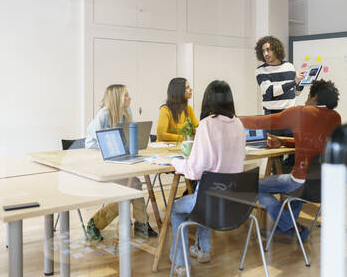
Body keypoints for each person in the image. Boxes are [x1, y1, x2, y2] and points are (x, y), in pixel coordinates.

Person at [153, 80, 246, 277]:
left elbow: (194, 171)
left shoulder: (207, 124)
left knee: (177, 209)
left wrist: (174, 163)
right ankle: (203, 250)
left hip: (209, 198)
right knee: (205, 198)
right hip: (235, 201)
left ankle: (180, 263)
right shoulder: (239, 123)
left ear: (208, 99)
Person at [239, 80, 341, 241]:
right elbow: (318, 143)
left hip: (300, 182)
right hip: (321, 185)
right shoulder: (335, 118)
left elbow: (264, 121)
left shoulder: (302, 112)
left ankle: (293, 226)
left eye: (309, 94)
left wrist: (233, 119)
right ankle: (286, 228)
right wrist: (284, 142)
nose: (306, 97)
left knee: (252, 185)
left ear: (315, 97)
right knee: (296, 188)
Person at [84, 84, 157, 241]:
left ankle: (140, 224)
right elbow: (97, 142)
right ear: (117, 98)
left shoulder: (127, 112)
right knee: (133, 186)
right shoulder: (103, 115)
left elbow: (128, 135)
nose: (129, 98)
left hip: (118, 158)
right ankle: (95, 223)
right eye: (126, 95)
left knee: (134, 184)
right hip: (99, 162)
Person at [254, 36, 306, 173]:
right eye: (263, 50)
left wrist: (301, 84)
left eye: (269, 50)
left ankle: (289, 184)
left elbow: (295, 93)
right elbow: (270, 91)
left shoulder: (289, 67)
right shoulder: (260, 71)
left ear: (276, 50)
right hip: (272, 118)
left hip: (291, 116)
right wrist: (293, 82)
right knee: (275, 156)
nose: (266, 53)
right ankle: (275, 186)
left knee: (295, 153)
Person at [157, 78, 199, 142]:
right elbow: (161, 135)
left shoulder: (189, 108)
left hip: (182, 147)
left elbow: (197, 128)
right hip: (165, 149)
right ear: (179, 91)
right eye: (187, 87)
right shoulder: (165, 110)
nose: (190, 90)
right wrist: (184, 138)